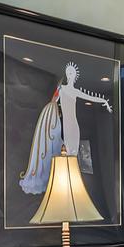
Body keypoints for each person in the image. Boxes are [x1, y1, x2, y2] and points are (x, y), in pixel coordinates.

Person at [20, 62, 113, 195]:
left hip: (74, 126)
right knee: (65, 153)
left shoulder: (75, 91)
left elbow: (90, 97)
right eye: (68, 72)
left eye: (72, 73)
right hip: (65, 126)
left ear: (75, 76)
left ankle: (72, 188)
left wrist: (104, 101)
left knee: (73, 156)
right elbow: (53, 102)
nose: (70, 75)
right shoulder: (61, 89)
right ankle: (65, 188)